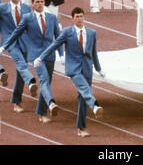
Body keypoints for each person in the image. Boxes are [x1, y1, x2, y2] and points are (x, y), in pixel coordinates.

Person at [37, 7, 105, 137]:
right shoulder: (68, 32)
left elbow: (93, 53)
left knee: (83, 97)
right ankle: (95, 106)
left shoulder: (91, 33)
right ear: (72, 18)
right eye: (77, 17)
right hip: (74, 69)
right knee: (85, 90)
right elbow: (54, 45)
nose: (79, 19)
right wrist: (41, 57)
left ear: (84, 17)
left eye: (81, 16)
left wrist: (98, 68)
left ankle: (81, 128)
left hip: (87, 69)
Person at [0, 0, 62, 123]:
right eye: (37, 1)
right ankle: (48, 106)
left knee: (44, 81)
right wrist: (3, 48)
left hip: (49, 55)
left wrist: (63, 55)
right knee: (44, 80)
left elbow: (58, 38)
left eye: (42, 1)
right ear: (33, 4)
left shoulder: (51, 18)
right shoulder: (27, 17)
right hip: (34, 53)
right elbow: (15, 34)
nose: (40, 4)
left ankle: (26, 103)